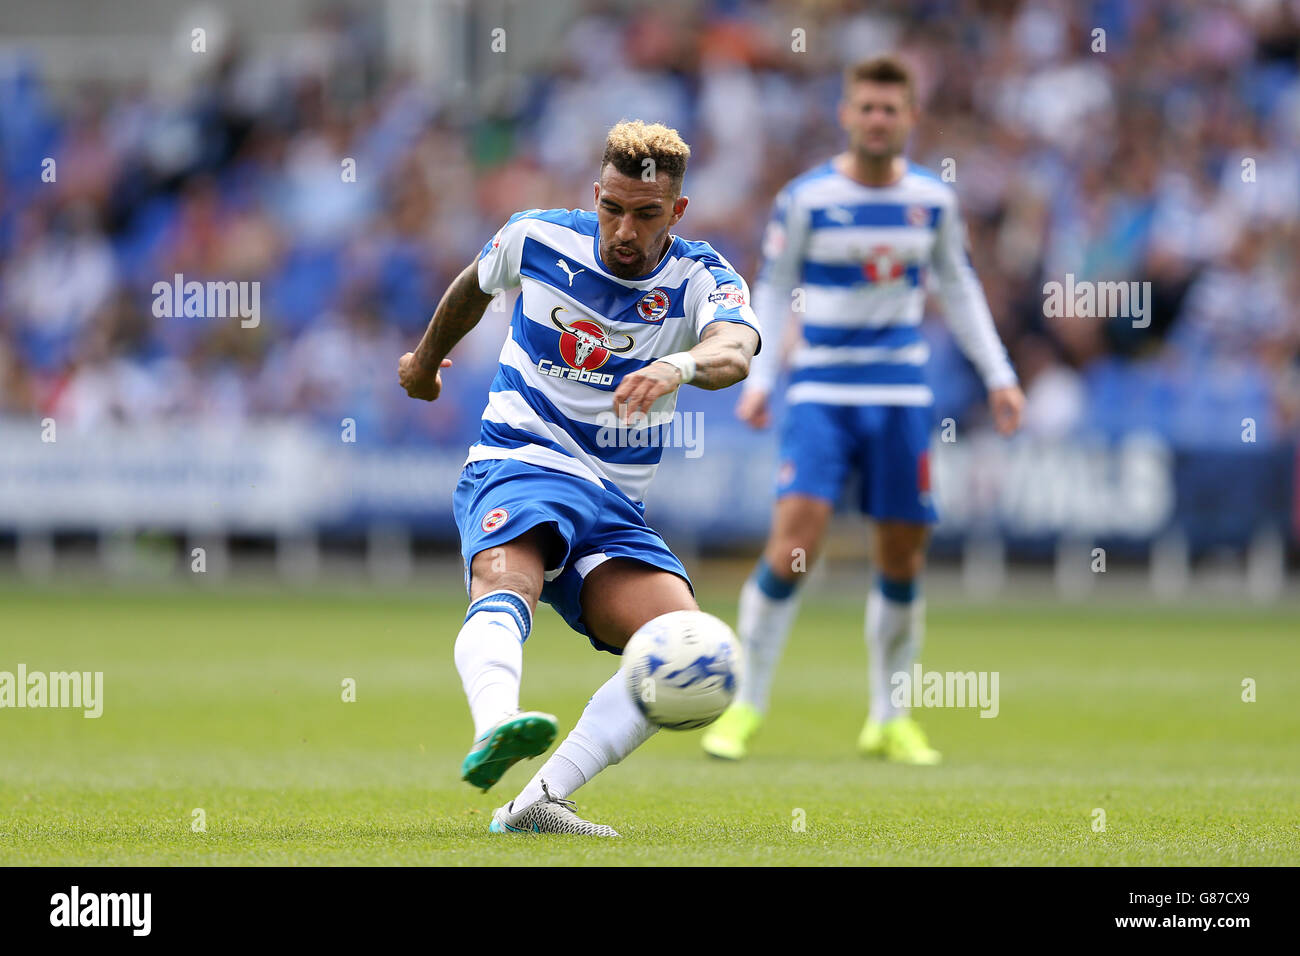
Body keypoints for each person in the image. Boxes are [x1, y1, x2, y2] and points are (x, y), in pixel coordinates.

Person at [399, 120, 760, 835]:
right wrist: (423, 361)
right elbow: (474, 284)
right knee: (508, 580)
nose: (625, 230)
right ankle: (496, 724)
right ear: (596, 194)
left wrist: (678, 365)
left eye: (646, 214)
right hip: (520, 459)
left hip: (614, 507)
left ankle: (537, 801)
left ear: (678, 211)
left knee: (690, 653)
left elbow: (736, 350)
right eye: (612, 208)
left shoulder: (701, 278)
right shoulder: (536, 237)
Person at [702, 56, 1024, 765]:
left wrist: (999, 375)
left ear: (910, 118)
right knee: (796, 540)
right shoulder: (806, 199)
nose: (878, 120)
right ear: (847, 114)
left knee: (902, 552)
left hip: (900, 394)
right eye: (867, 108)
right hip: (820, 390)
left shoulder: (932, 202)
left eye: (890, 109)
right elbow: (775, 284)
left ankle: (889, 717)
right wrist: (759, 375)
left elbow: (959, 287)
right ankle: (745, 704)